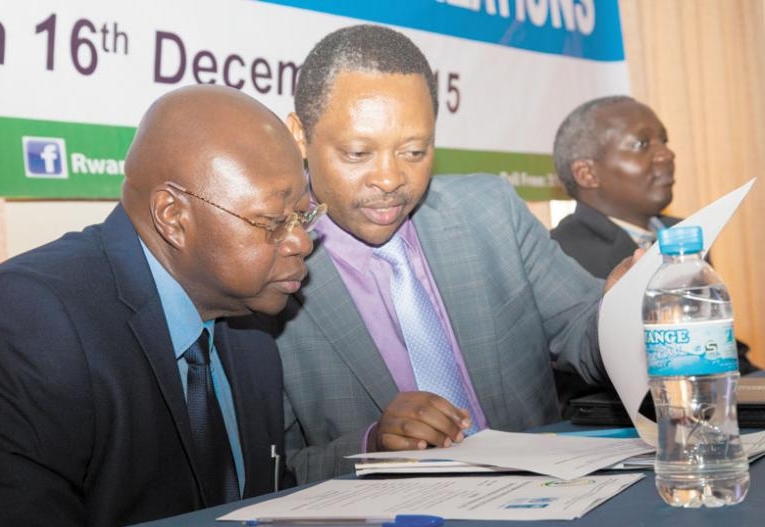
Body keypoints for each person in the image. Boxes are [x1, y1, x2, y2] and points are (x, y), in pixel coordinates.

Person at [0, 85, 323, 527]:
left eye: (303, 216)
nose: (301, 242)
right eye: (274, 222)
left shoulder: (252, 331)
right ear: (173, 216)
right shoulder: (20, 327)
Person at [271, 24, 633, 484]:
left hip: (544, 495)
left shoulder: (492, 212)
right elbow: (269, 470)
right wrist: (371, 444)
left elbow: (581, 329)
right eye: (358, 153)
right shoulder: (267, 269)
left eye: (414, 151)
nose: (389, 179)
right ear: (299, 136)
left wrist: (626, 309)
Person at [550, 95, 755, 409]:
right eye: (642, 144)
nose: (666, 154)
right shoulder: (561, 252)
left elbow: (714, 343)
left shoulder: (685, 232)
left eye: (664, 141)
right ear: (587, 174)